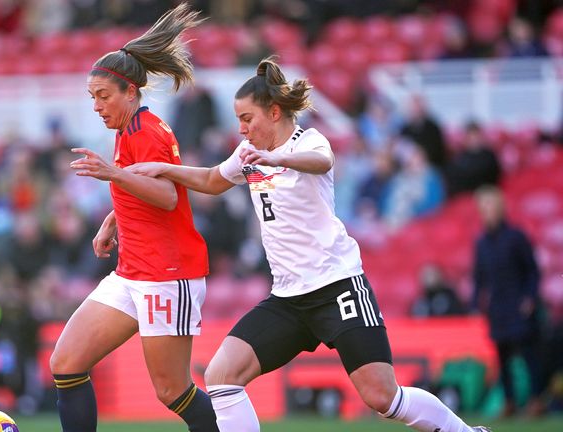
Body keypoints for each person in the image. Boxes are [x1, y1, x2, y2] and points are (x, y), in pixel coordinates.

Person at [128, 57, 489, 432]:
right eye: (238, 120)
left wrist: (275, 157)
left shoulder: (308, 141)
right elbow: (212, 179)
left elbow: (321, 160)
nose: (241, 129)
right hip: (288, 299)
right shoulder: (247, 153)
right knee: (222, 374)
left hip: (337, 287)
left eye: (247, 119)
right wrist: (165, 169)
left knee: (383, 397)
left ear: (274, 111)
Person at [49, 4, 218, 432]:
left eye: (103, 96)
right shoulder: (128, 132)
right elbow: (138, 190)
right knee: (66, 363)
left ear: (130, 92)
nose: (97, 106)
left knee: (172, 391)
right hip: (132, 273)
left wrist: (111, 173)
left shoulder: (147, 131)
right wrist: (112, 221)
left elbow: (165, 195)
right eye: (93, 98)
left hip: (167, 273)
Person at [472, 185, 545, 417]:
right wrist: (477, 304)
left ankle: (535, 400)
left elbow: (532, 271)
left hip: (519, 305)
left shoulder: (516, 237)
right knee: (502, 358)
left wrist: (529, 298)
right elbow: (479, 277)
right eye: (482, 207)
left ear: (500, 208)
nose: (486, 212)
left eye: (489, 206)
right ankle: (510, 401)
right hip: (498, 308)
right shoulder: (481, 242)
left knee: (528, 356)